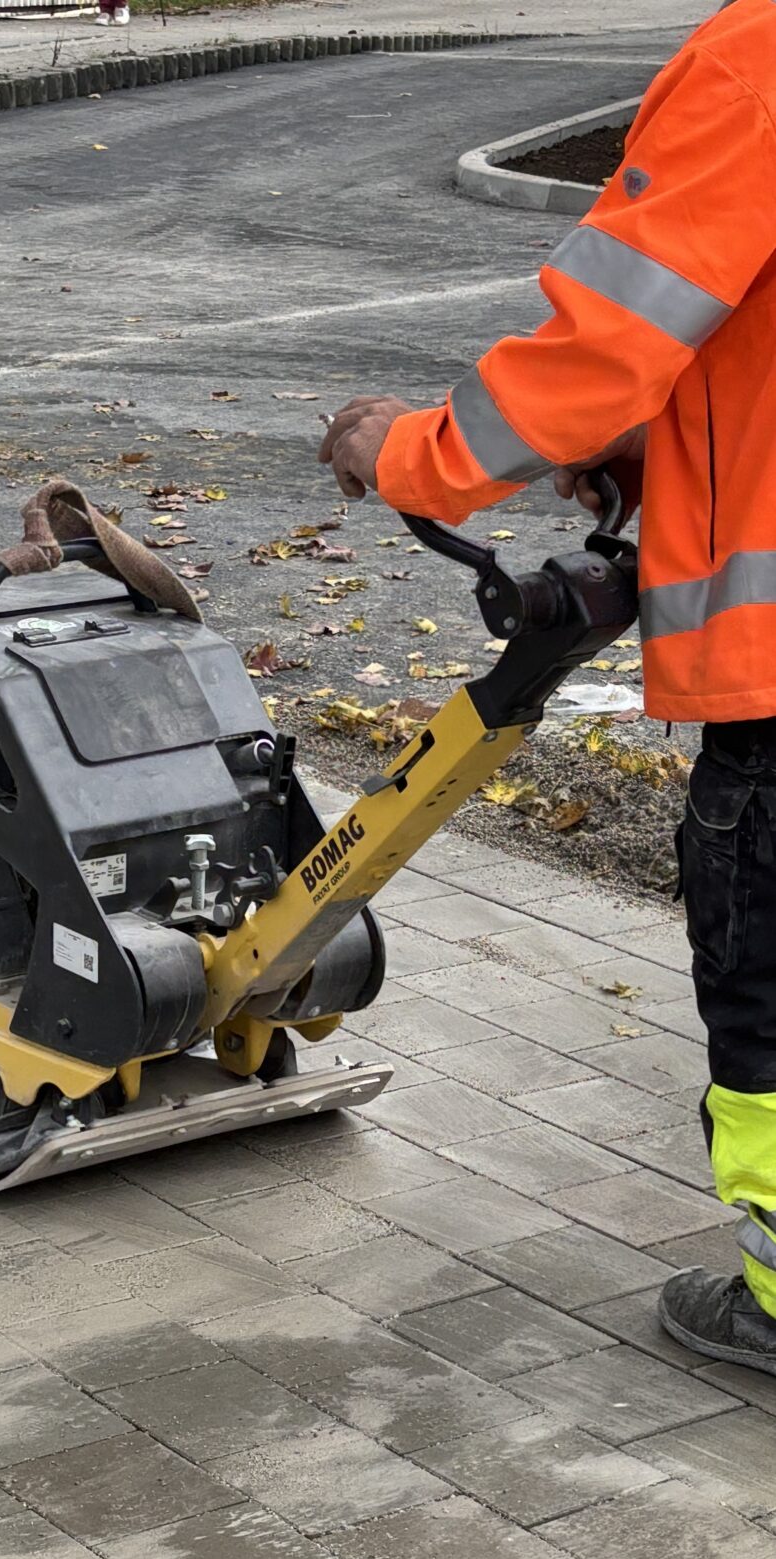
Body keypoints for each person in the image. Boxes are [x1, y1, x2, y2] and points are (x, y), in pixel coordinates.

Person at [317, 0, 776, 1374]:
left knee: (768, 984)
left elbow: (613, 343)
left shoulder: (760, 55)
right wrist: (662, 453)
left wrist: (410, 454)